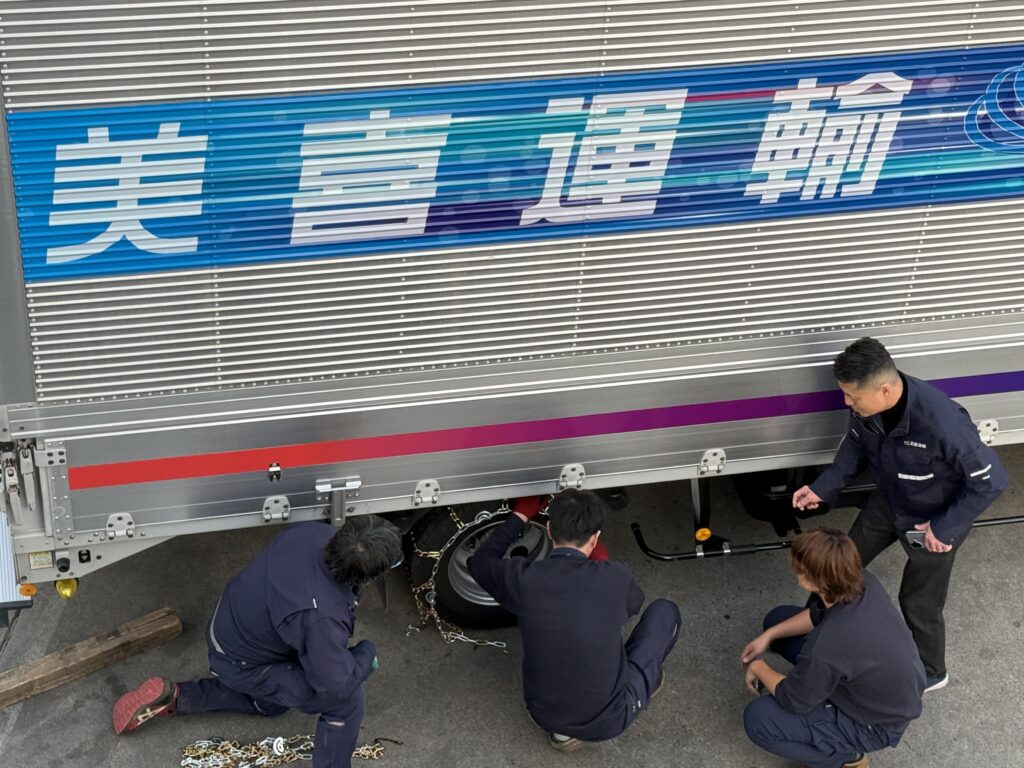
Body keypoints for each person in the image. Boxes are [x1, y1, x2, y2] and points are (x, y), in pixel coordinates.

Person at [792, 337, 1007, 691]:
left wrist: (945, 528)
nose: (847, 402)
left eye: (852, 397)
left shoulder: (942, 423)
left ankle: (932, 672)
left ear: (885, 390)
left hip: (932, 521)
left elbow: (992, 480)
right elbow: (854, 445)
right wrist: (822, 487)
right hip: (889, 502)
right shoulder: (867, 407)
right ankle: (813, 635)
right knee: (836, 565)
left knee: (918, 601)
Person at [112, 516, 402, 768]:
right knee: (347, 702)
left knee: (273, 705)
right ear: (367, 575)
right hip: (242, 660)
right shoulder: (319, 617)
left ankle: (177, 697)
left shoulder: (312, 533)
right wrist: (365, 654)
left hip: (233, 627)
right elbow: (335, 685)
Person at [468, 488, 681, 752]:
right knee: (665, 612)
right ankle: (642, 685)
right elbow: (633, 605)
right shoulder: (614, 577)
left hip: (542, 713)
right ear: (595, 538)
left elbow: (479, 562)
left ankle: (561, 734)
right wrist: (600, 568)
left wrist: (520, 515)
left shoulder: (524, 579)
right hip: (608, 721)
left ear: (548, 530)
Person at [741, 528, 925, 768]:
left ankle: (844, 760)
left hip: (873, 725)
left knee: (758, 720)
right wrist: (769, 635)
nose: (792, 565)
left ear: (812, 581)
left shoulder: (827, 644)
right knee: (777, 620)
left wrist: (758, 667)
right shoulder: (864, 581)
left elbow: (793, 699)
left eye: (798, 565)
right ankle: (819, 684)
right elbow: (818, 615)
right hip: (891, 693)